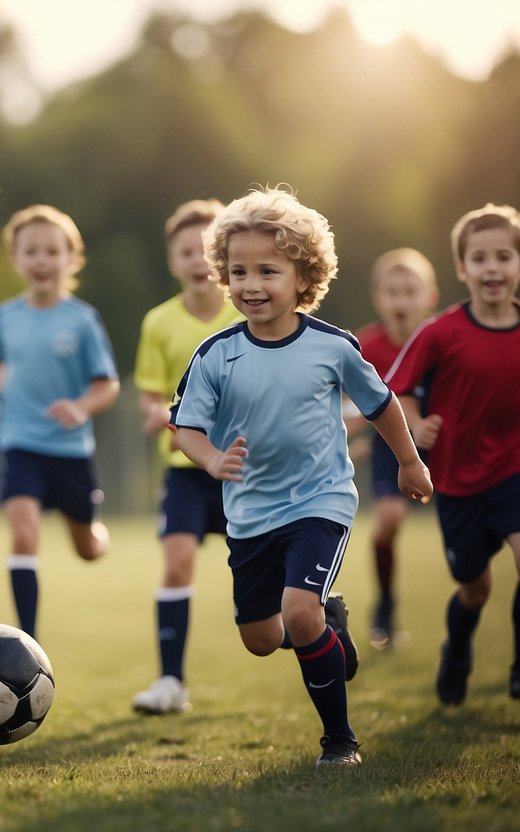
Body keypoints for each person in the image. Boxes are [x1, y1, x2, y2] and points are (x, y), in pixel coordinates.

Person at [170, 187, 432, 768]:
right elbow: (184, 427)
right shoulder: (214, 355)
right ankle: (327, 624)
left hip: (321, 501)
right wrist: (212, 460)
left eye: (268, 270)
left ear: (303, 274)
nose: (251, 284)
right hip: (249, 514)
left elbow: (381, 404)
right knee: (262, 639)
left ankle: (339, 741)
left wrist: (410, 461)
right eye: (238, 271)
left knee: (297, 610)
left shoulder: (333, 348)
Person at [385, 203, 520, 716]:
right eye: (480, 258)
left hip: (518, 467)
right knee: (474, 588)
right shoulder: (439, 332)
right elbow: (396, 392)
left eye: (504, 257)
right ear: (462, 268)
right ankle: (458, 651)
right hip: (457, 480)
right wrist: (416, 423)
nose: (492, 268)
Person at [0, 204, 120, 642]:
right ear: (15, 259)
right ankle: (27, 643)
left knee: (87, 550)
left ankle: (95, 532)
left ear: (72, 260)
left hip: (71, 451)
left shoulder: (83, 320)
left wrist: (81, 407)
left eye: (52, 251)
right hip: (19, 441)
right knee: (23, 534)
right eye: (30, 251)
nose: (41, 260)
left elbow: (107, 385)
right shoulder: (4, 317)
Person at [130, 198, 243, 716]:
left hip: (244, 471)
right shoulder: (158, 323)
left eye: (206, 249)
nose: (197, 260)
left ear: (222, 255)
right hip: (184, 470)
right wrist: (156, 413)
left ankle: (320, 618)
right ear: (173, 261)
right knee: (177, 565)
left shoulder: (248, 313)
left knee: (262, 579)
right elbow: (150, 395)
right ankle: (171, 681)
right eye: (185, 251)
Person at [347, 248, 439, 649]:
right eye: (392, 292)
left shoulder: (441, 339)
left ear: (429, 296)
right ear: (378, 297)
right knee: (388, 519)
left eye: (410, 291)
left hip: (442, 439)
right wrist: (346, 440)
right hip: (390, 448)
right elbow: (353, 408)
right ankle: (384, 605)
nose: (401, 301)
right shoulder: (364, 346)